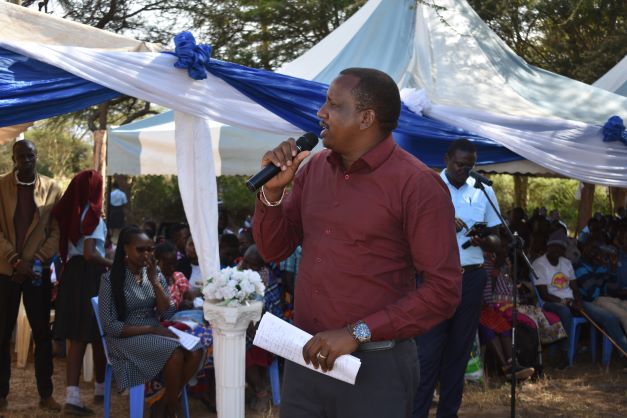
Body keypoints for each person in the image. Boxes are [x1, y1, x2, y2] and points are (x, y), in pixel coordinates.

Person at [253, 67, 461, 418]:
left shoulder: (417, 185)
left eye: (333, 104)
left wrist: (358, 332)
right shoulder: (313, 169)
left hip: (376, 366)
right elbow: (274, 249)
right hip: (307, 358)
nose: (321, 112)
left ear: (366, 118)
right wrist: (272, 193)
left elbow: (444, 290)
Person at [414, 138, 502, 418]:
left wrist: (482, 238)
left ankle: (448, 413)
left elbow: (497, 240)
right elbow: (409, 232)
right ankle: (417, 412)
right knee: (427, 354)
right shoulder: (427, 187)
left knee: (458, 354)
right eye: (459, 164)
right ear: (446, 158)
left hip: (472, 279)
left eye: (470, 165)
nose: (464, 169)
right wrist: (443, 221)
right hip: (435, 280)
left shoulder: (484, 191)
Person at [98, 226, 203, 418]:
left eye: (150, 249)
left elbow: (169, 313)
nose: (146, 254)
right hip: (125, 336)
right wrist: (151, 329)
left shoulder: (154, 274)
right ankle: (170, 408)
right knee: (176, 354)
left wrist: (155, 281)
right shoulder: (109, 280)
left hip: (154, 330)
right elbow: (110, 326)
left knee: (196, 351)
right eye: (140, 249)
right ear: (125, 249)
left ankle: (164, 404)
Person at [0, 140, 63, 412]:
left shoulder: (52, 188)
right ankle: (1, 394)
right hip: (6, 270)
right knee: (2, 335)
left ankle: (45, 393)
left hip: (37, 271)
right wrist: (14, 260)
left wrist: (34, 261)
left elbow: (57, 233)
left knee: (42, 334)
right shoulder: (1, 186)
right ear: (13, 158)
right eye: (21, 156)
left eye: (31, 155)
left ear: (37, 156)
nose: (27, 160)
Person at [52, 170, 112, 415]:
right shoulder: (93, 217)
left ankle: (85, 392)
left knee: (80, 336)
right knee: (92, 334)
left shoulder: (72, 212)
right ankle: (86, 394)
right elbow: (90, 253)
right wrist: (113, 263)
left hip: (72, 275)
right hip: (89, 275)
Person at [532, 229, 627, 368]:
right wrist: (566, 302)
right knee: (564, 311)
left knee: (608, 317)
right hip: (551, 302)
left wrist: (579, 302)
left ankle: (625, 351)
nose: (558, 250)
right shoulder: (539, 264)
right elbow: (543, 294)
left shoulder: (566, 262)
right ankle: (565, 355)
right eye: (555, 247)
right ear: (549, 246)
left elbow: (575, 288)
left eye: (561, 248)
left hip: (572, 301)